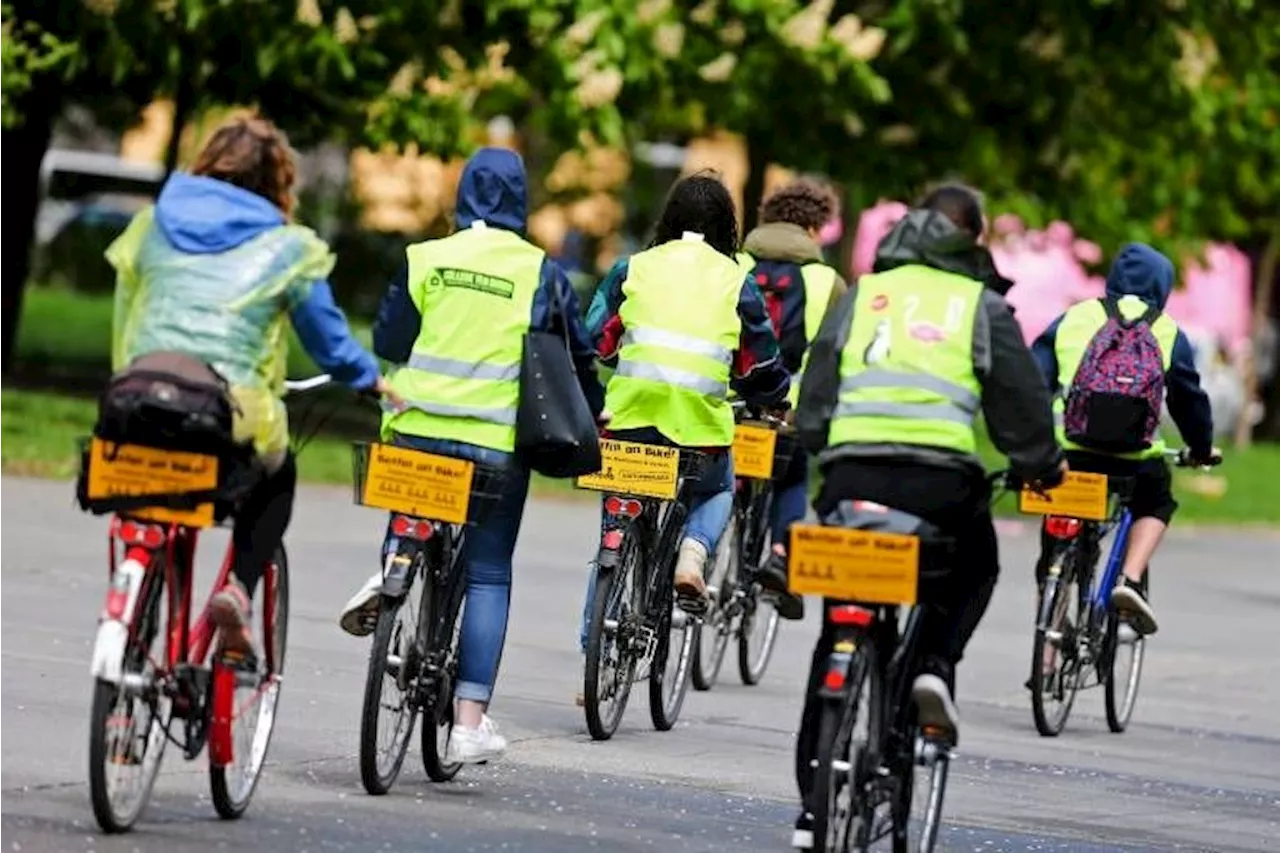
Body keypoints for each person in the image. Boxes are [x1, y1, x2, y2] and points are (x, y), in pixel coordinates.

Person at [788, 184, 1064, 849]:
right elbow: (1021, 410)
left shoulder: (862, 295)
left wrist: (826, 447)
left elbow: (816, 398)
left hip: (852, 480)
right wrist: (1039, 463)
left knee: (842, 622)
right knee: (978, 564)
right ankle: (935, 664)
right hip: (939, 486)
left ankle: (811, 805)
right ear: (971, 239)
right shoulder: (981, 305)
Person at [337, 147, 606, 764]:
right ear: (520, 200)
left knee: (410, 513)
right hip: (492, 445)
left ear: (462, 195)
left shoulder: (425, 258)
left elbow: (389, 339)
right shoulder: (539, 271)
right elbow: (577, 355)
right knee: (486, 572)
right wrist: (594, 410)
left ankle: (395, 563)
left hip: (416, 430)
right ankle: (467, 724)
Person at [106, 115, 390, 660]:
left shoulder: (150, 224)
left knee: (145, 497)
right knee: (276, 480)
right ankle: (238, 586)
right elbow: (328, 341)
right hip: (229, 415)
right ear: (278, 181)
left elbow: (127, 317)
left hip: (138, 398)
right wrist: (369, 379)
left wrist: (127, 381)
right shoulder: (288, 249)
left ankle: (138, 589)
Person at [576, 172, 792, 663]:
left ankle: (594, 647)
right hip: (698, 430)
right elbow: (759, 361)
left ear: (668, 218)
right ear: (726, 227)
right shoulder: (736, 279)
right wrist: (775, 396)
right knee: (718, 488)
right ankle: (693, 554)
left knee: (615, 519)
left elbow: (594, 337)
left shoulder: (632, 267)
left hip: (627, 422)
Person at [1031, 242, 1219, 636]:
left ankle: (1047, 642)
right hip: (1134, 462)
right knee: (1157, 500)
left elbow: (1035, 382)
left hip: (1072, 454)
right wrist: (1200, 449)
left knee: (1057, 539)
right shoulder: (1167, 331)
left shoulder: (1074, 318)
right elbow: (1189, 401)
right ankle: (1130, 579)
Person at [736, 178, 849, 621]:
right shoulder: (828, 282)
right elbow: (835, 355)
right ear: (816, 228)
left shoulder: (736, 264)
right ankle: (782, 552)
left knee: (720, 475)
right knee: (793, 476)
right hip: (788, 410)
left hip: (731, 403)